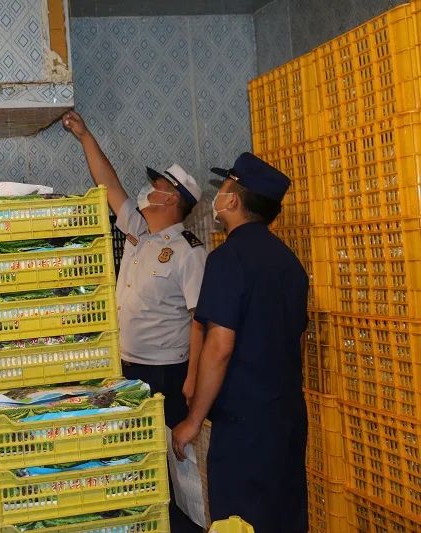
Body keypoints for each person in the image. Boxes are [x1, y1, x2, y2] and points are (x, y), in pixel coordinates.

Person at [171, 152, 309, 533]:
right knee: (283, 519)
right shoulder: (290, 263)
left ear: (232, 200)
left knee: (238, 522)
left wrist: (193, 421)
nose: (218, 195)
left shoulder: (227, 259)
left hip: (243, 428)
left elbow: (220, 346)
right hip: (286, 418)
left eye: (224, 187)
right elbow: (295, 339)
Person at [63, 110, 207, 429]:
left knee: (170, 449)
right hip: (127, 366)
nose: (146, 190)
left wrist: (193, 378)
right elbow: (108, 182)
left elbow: (201, 321)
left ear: (170, 199)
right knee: (140, 446)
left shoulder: (189, 252)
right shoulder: (138, 230)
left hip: (166, 371)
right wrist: (84, 135)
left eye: (155, 187)